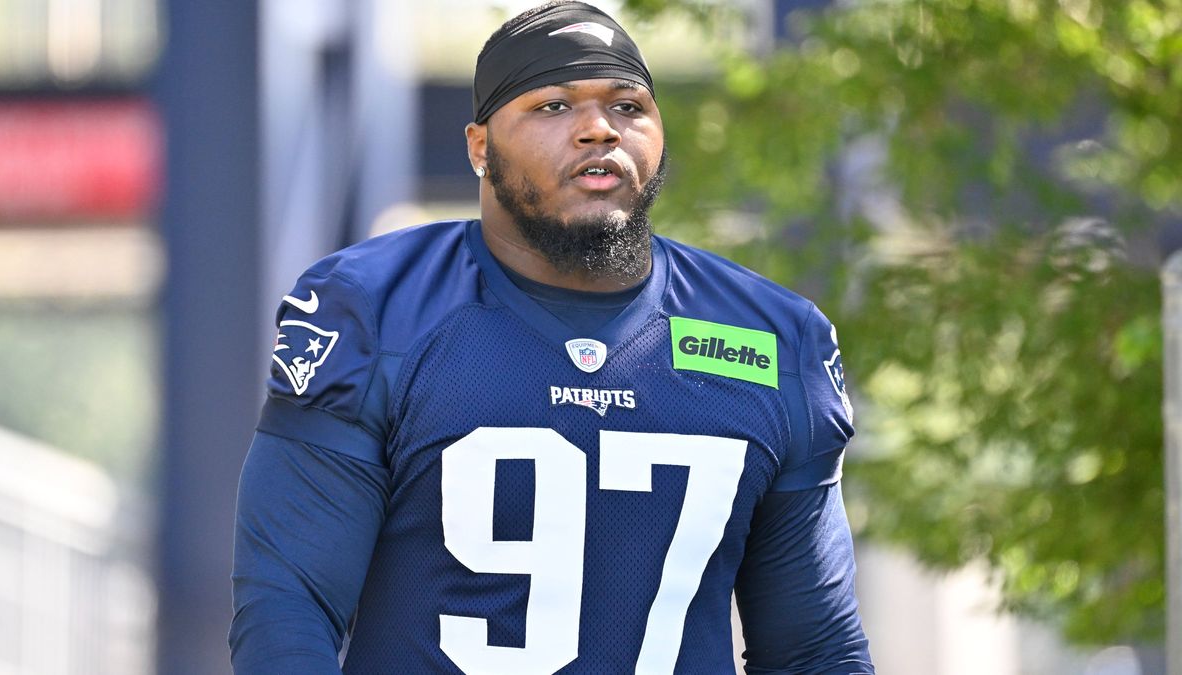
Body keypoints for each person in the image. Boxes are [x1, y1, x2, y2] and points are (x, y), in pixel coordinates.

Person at [229, 2, 873, 673]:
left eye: (628, 106)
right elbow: (288, 608)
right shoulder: (377, 308)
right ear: (480, 146)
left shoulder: (769, 339)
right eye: (553, 106)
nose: (599, 129)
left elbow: (815, 648)